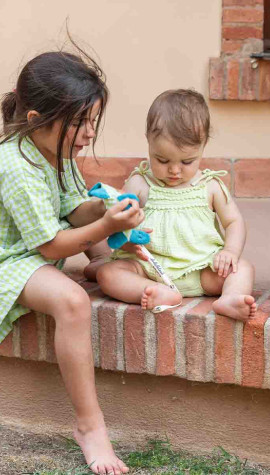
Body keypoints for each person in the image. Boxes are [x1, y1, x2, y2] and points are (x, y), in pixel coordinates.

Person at [0, 48, 138, 475]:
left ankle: (101, 263)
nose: (89, 133)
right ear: (36, 119)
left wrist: (107, 208)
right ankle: (89, 426)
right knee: (72, 302)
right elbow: (53, 246)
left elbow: (73, 211)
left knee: (99, 225)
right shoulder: (14, 166)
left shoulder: (56, 152)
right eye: (79, 122)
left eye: (93, 120)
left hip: (32, 250)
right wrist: (104, 224)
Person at [97, 89, 257, 320]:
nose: (174, 170)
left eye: (187, 161)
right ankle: (154, 292)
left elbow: (233, 221)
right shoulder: (140, 182)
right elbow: (120, 221)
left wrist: (230, 250)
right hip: (148, 268)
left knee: (242, 268)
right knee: (108, 274)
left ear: (204, 146)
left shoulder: (209, 185)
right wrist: (127, 240)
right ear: (148, 140)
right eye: (162, 160)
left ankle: (230, 297)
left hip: (201, 269)